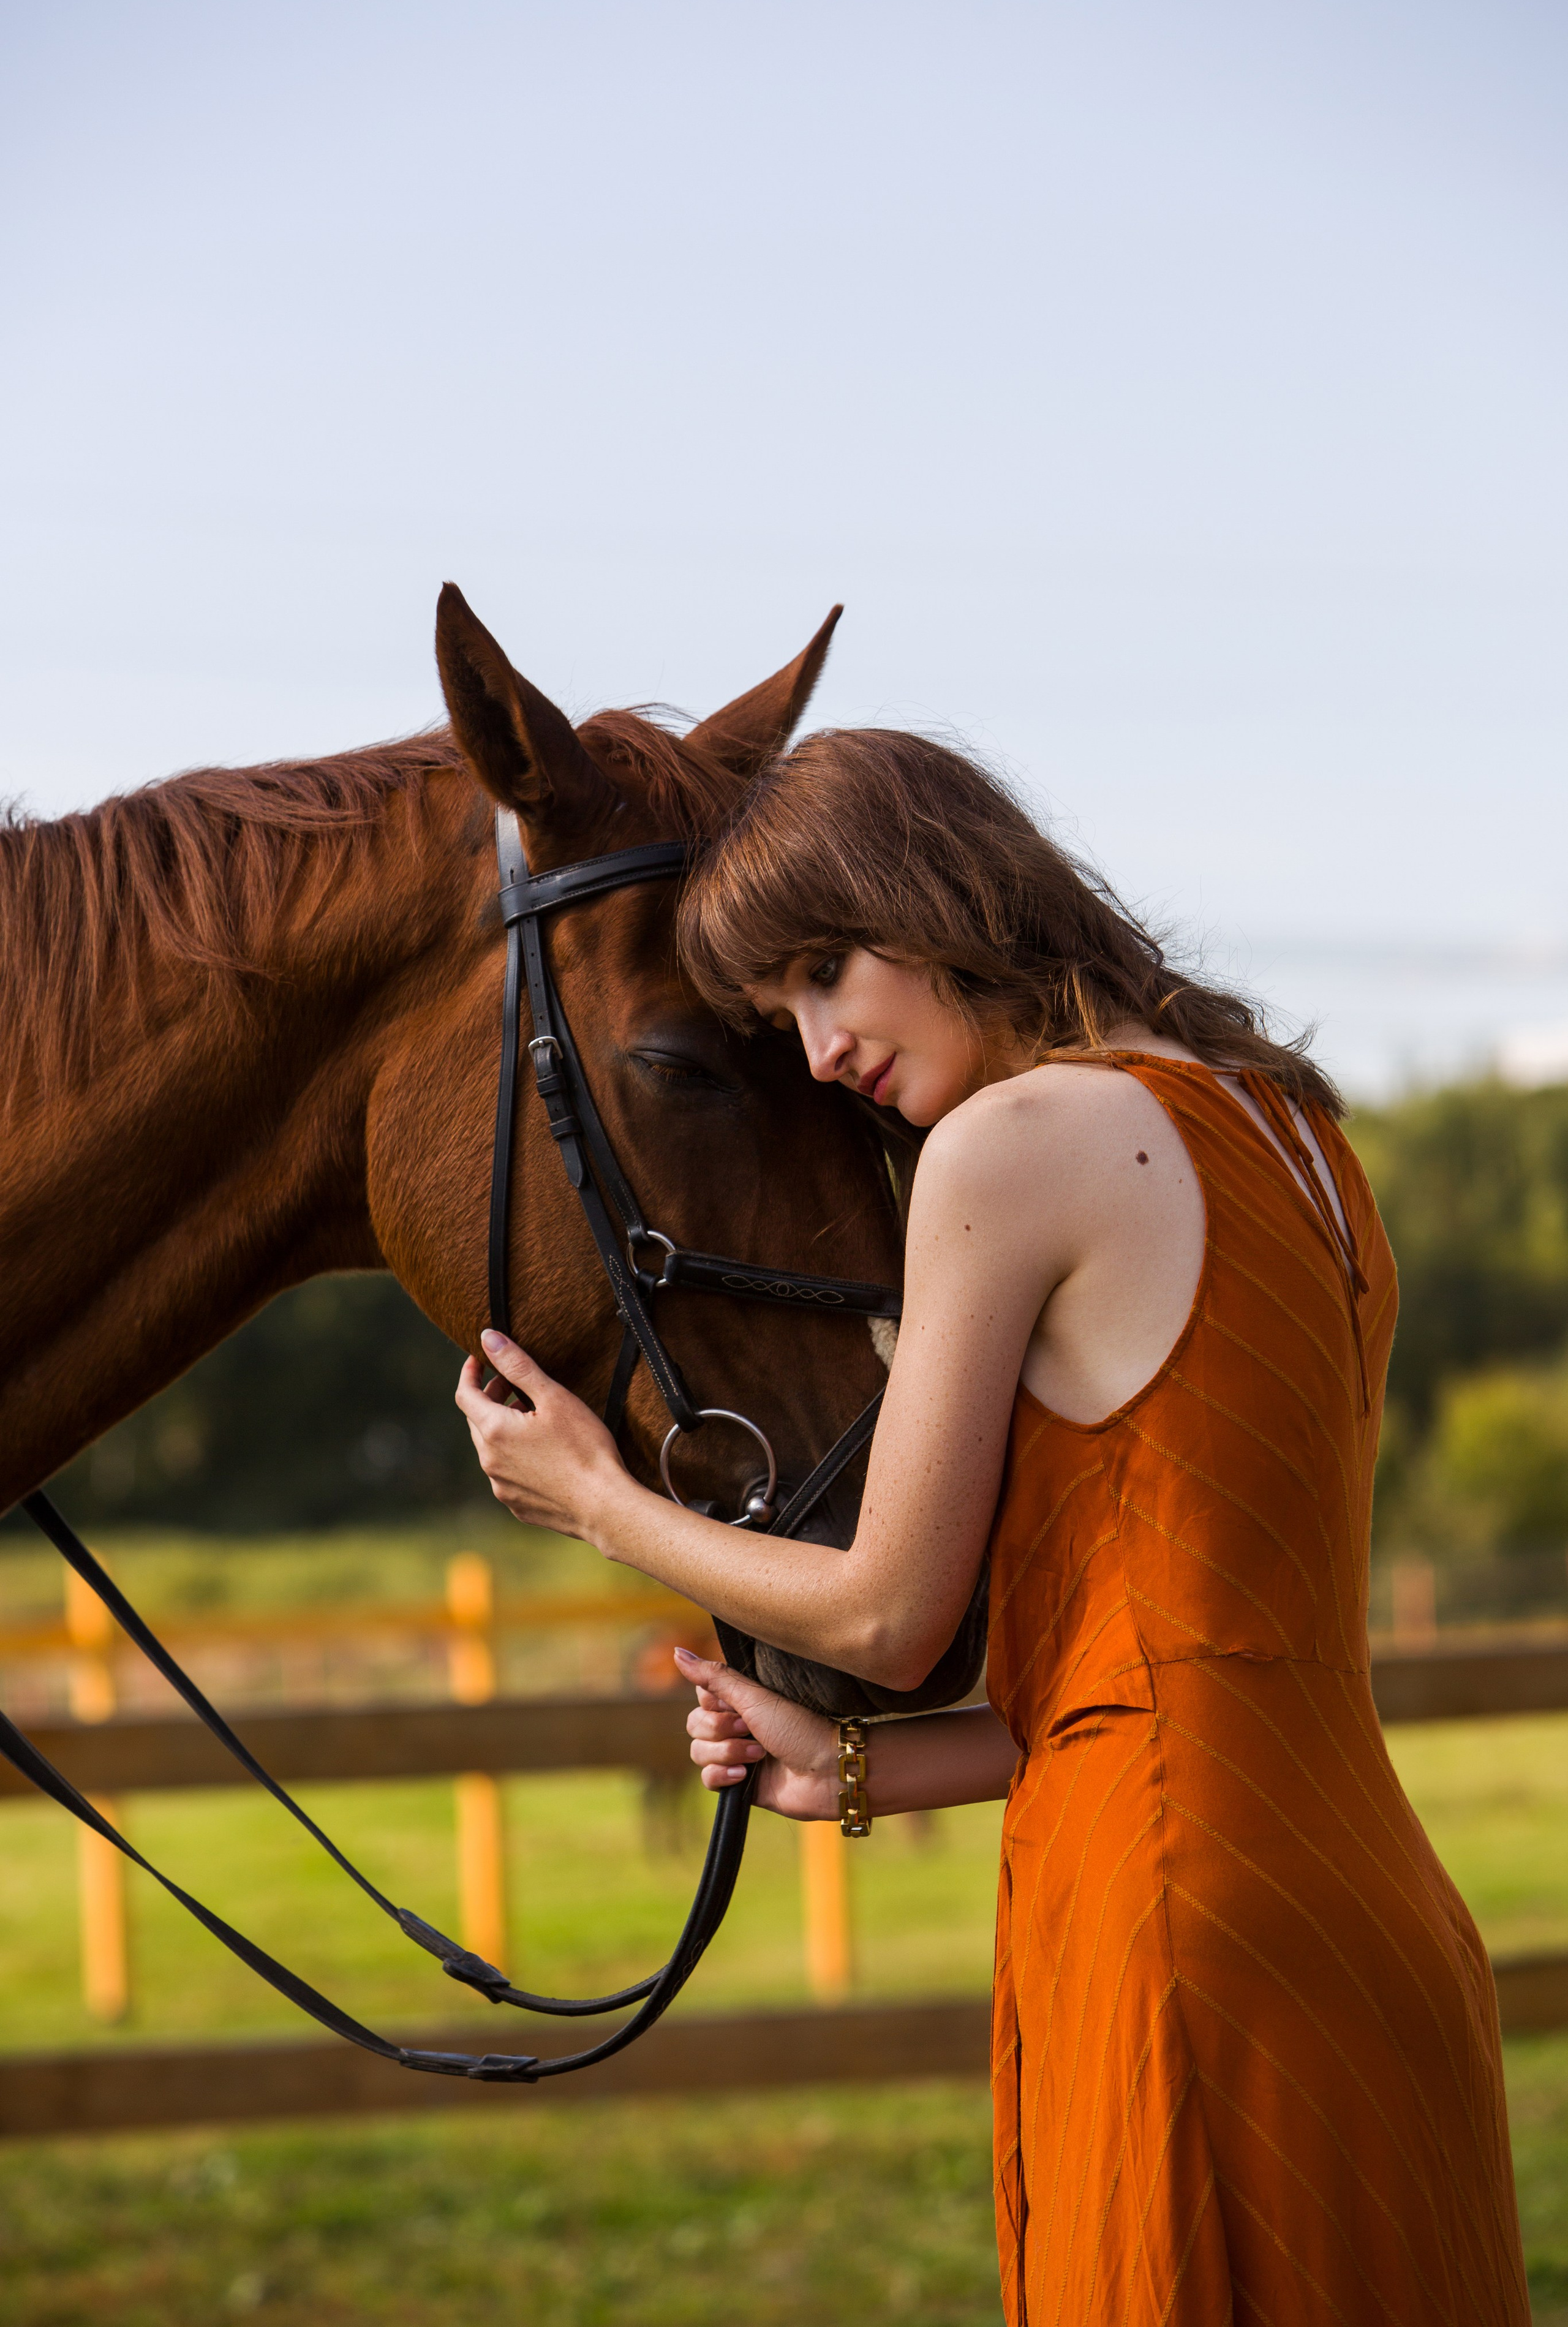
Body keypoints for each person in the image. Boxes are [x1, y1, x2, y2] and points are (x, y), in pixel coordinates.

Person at [456, 728, 1529, 2325]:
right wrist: (867, 1766)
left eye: (829, 970)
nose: (819, 1049)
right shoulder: (1302, 1135)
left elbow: (887, 1616)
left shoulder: (1012, 1147)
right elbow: (1209, 1679)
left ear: (940, 892)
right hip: (1377, 1923)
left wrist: (598, 1499)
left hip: (1176, 1941)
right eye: (781, 1015)